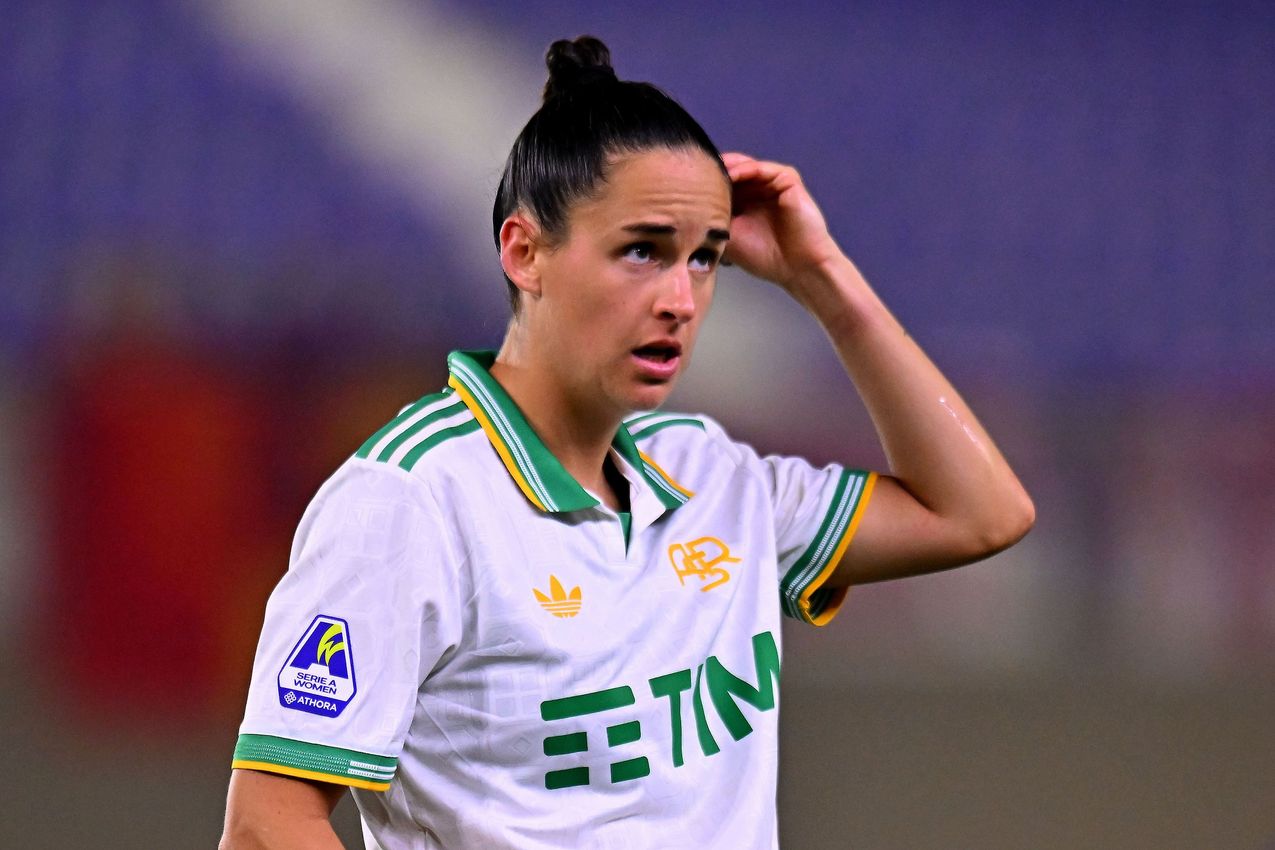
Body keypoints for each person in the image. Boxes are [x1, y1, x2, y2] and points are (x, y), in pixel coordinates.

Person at [220, 35, 1034, 850]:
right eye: (642, 251)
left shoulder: (711, 474)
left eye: (706, 258)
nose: (681, 298)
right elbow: (267, 821)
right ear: (524, 251)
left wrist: (821, 278)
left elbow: (977, 514)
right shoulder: (411, 500)